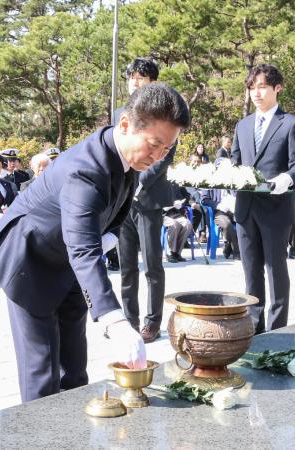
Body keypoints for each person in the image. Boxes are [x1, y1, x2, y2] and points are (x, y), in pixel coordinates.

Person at [0, 82, 190, 402]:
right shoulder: (85, 170)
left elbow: (117, 211)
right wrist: (116, 322)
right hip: (31, 261)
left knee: (75, 369)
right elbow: (82, 249)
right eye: (154, 144)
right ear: (125, 124)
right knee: (42, 372)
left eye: (167, 149)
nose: (158, 156)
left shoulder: (129, 157)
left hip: (69, 263)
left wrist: (106, 238)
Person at [230, 63, 295, 334]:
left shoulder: (291, 124)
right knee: (251, 273)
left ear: (277, 88)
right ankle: (254, 328)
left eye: (262, 86)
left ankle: (277, 332)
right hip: (245, 208)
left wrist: (285, 180)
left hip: (276, 209)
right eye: (252, 87)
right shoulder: (242, 125)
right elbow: (235, 162)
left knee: (276, 271)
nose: (256, 93)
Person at [117, 58, 176, 343]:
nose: (134, 82)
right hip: (123, 201)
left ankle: (152, 322)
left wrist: (139, 184)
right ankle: (130, 320)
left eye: (140, 77)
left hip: (149, 199)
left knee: (152, 265)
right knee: (126, 265)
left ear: (152, 81)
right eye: (130, 77)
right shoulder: (121, 113)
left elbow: (164, 157)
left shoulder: (165, 113)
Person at [201, 187, 240, 259]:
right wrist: (218, 206)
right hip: (217, 211)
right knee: (227, 224)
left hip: (233, 210)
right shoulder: (209, 181)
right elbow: (204, 200)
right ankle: (236, 252)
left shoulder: (233, 180)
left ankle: (227, 248)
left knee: (244, 223)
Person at [163, 184, 192, 263]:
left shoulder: (176, 182)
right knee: (174, 224)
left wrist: (181, 203)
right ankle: (170, 252)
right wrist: (169, 205)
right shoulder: (158, 181)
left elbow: (186, 195)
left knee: (187, 224)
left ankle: (177, 253)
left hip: (175, 213)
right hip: (162, 214)